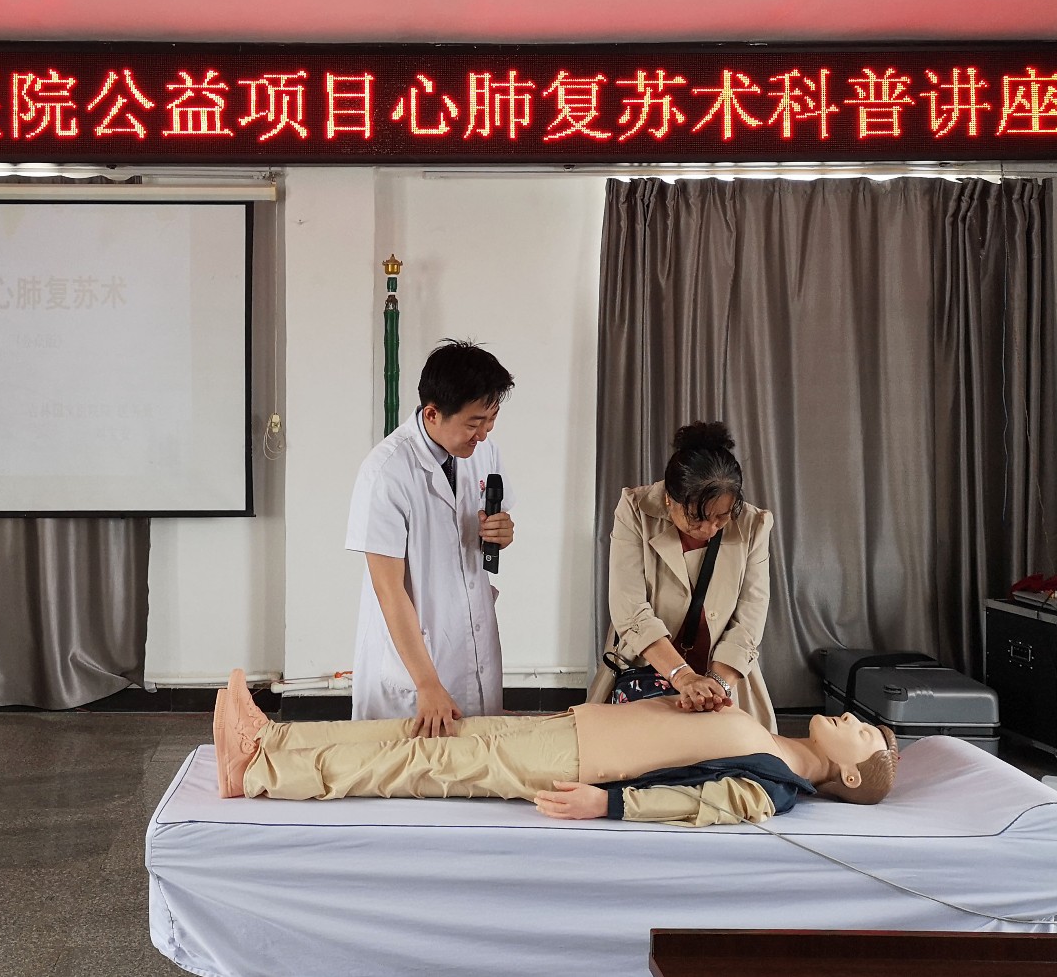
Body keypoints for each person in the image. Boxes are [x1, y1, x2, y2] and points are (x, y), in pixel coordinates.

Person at [212, 670, 897, 825]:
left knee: (422, 763)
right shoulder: (769, 734)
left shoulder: (774, 788)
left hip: (575, 763)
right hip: (577, 729)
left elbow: (695, 804)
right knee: (427, 734)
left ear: (847, 772)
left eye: (861, 733)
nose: (851, 717)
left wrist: (610, 805)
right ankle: (273, 737)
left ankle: (259, 769)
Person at [345, 340, 515, 735]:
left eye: (491, 419)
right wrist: (427, 683)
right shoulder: (386, 472)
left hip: (471, 639)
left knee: (478, 760)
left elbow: (484, 531)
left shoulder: (483, 453)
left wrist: (502, 533)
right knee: (405, 765)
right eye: (474, 423)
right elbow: (389, 590)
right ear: (433, 413)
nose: (483, 434)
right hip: (413, 666)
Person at [588, 421, 778, 730]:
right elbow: (630, 609)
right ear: (669, 498)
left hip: (724, 678)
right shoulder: (636, 509)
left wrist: (716, 687)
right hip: (646, 669)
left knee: (734, 755)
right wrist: (683, 676)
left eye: (722, 517)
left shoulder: (753, 524)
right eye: (696, 518)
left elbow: (750, 617)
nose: (709, 529)